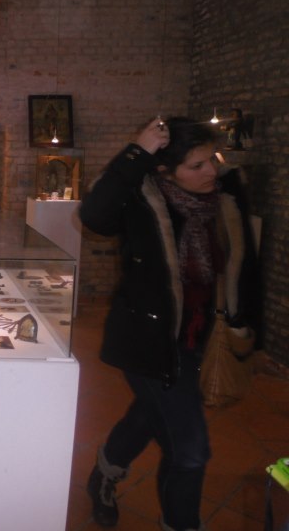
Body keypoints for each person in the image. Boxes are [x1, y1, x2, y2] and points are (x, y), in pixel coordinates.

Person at [79, 117, 260, 531]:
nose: (211, 171)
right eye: (196, 165)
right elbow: (94, 216)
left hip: (200, 338)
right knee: (190, 451)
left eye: (212, 159)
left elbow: (246, 269)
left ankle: (104, 474)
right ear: (165, 170)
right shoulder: (141, 200)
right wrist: (137, 152)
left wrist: (246, 328)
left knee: (150, 414)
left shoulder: (225, 198)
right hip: (150, 340)